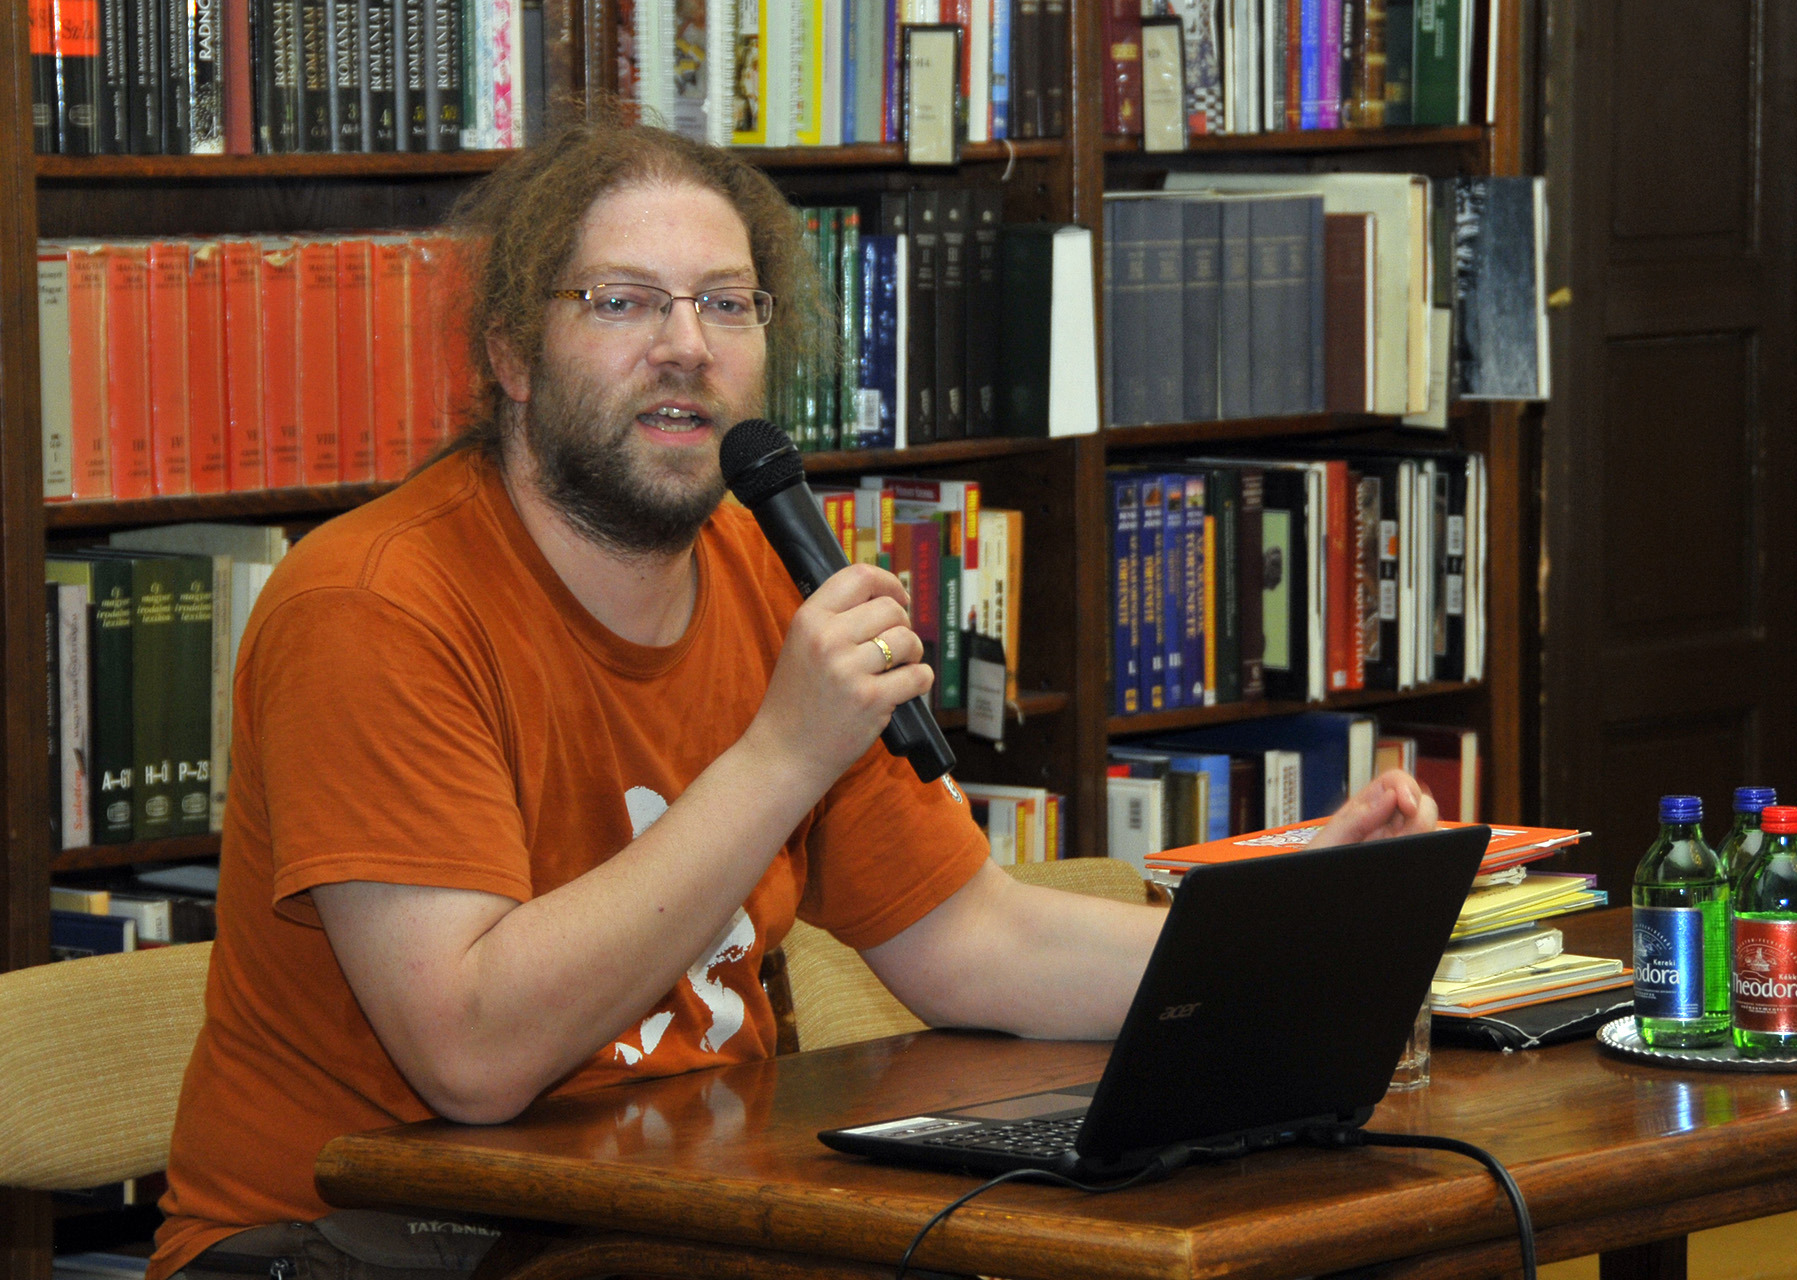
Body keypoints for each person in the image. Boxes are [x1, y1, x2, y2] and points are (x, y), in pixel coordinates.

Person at [149, 118, 1437, 1280]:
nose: (685, 346)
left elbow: (971, 939)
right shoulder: (374, 606)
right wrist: (782, 755)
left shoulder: (767, 572)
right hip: (359, 1238)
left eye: (726, 303)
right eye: (622, 301)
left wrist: (1282, 935)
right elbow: (472, 1058)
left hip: (672, 1210)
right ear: (512, 356)